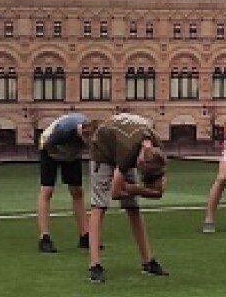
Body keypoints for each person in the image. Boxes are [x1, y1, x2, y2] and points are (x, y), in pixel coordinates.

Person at [86, 112, 168, 284]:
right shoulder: (128, 153)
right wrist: (136, 189)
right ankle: (94, 265)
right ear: (139, 162)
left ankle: (147, 262)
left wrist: (133, 189)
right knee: (99, 206)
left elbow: (159, 191)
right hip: (103, 149)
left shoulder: (158, 151)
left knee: (133, 207)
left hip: (123, 141)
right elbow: (115, 193)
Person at [36, 112, 97, 253]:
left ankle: (84, 235)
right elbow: (48, 146)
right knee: (47, 190)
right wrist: (64, 157)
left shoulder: (94, 133)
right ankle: (44, 237)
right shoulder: (64, 130)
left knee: (77, 191)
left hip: (71, 154)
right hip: (50, 150)